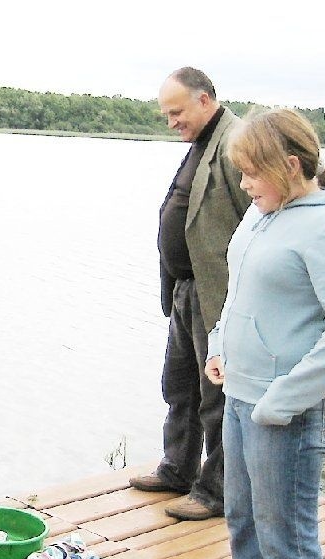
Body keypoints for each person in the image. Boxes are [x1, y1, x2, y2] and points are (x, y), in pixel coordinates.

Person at [206, 108, 325, 559]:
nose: (242, 184)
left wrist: (283, 400)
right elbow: (239, 293)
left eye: (250, 171)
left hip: (287, 413)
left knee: (286, 541)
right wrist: (219, 343)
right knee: (243, 523)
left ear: (289, 165)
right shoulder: (260, 215)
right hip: (240, 396)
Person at [129, 67, 250, 520]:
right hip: (184, 289)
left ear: (204, 99)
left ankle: (215, 490)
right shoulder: (202, 140)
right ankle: (178, 468)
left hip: (216, 293)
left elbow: (256, 217)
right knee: (179, 385)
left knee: (215, 396)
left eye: (176, 112)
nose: (171, 122)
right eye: (166, 115)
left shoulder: (238, 141)